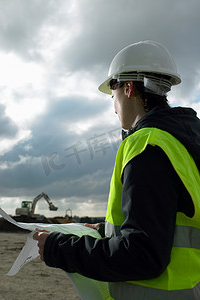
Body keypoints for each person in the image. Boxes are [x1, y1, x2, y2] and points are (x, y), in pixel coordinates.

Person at [34, 40, 200, 299]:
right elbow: (169, 223)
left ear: (128, 88)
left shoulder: (147, 144)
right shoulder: (186, 142)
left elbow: (142, 255)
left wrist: (59, 248)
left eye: (113, 96)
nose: (113, 107)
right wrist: (105, 232)